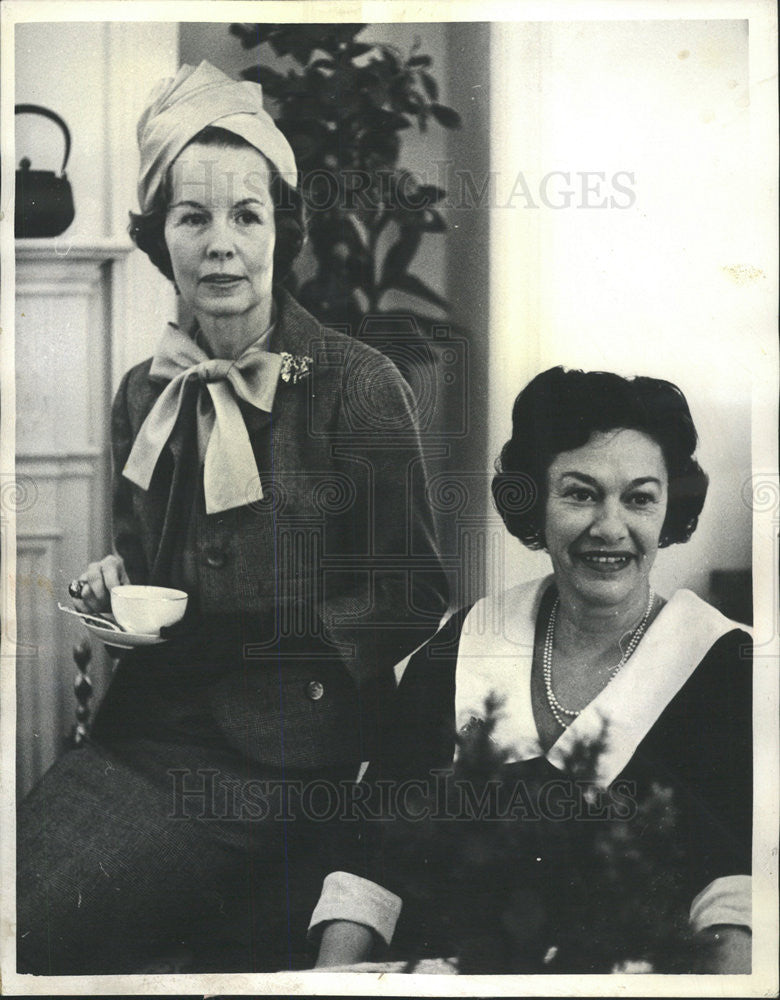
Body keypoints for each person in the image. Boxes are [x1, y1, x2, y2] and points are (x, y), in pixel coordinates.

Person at [17, 61, 448, 975]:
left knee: (46, 932)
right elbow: (149, 561)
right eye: (192, 216)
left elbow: (414, 592)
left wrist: (263, 642)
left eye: (246, 216)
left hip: (288, 760)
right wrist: (115, 588)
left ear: (281, 231)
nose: (221, 245)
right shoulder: (148, 392)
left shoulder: (358, 385)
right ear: (156, 237)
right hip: (147, 738)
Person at [311, 366, 752, 974]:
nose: (610, 527)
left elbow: (737, 893)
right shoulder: (466, 643)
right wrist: (328, 984)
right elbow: (373, 853)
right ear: (535, 504)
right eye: (580, 493)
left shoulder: (726, 665)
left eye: (640, 498)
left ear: (668, 511)